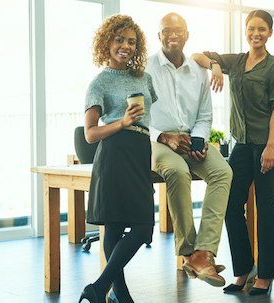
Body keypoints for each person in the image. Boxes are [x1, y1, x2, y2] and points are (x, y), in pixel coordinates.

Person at [191, 9, 274, 295]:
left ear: (270, 33)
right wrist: (216, 66)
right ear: (245, 31)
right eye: (251, 29)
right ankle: (243, 269)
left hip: (268, 142)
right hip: (242, 143)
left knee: (265, 204)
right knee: (231, 203)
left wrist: (270, 146)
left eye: (261, 29)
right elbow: (197, 55)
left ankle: (266, 274)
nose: (255, 34)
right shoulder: (237, 61)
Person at [145, 13, 233, 287]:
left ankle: (203, 252)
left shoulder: (198, 70)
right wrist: (164, 137)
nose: (173, 35)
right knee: (176, 171)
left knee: (222, 172)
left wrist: (198, 139)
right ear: (159, 36)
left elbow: (205, 114)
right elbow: (139, 117)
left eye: (179, 30)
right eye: (167, 31)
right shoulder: (145, 69)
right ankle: (188, 252)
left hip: (189, 138)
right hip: (156, 139)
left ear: (187, 35)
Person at [79, 15, 157, 303]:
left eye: (131, 42)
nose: (125, 46)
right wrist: (122, 122)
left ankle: (100, 289)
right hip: (113, 153)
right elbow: (90, 133)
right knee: (115, 226)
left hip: (139, 151)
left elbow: (150, 118)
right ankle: (118, 295)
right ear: (107, 42)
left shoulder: (144, 78)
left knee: (142, 226)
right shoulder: (98, 83)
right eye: (119, 39)